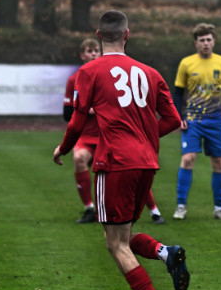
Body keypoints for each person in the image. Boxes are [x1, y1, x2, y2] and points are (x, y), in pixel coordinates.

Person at [53, 10, 189, 290]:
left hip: (115, 162)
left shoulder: (89, 71)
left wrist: (64, 147)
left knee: (115, 244)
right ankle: (166, 253)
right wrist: (143, 138)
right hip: (147, 162)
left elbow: (76, 118)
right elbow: (172, 119)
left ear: (99, 36)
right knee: (123, 236)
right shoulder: (151, 73)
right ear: (127, 35)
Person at [64, 38, 165, 225]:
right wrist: (87, 109)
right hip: (87, 137)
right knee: (79, 159)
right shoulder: (74, 80)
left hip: (110, 136)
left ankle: (154, 210)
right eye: (88, 51)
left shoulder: (111, 75)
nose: (93, 53)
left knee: (132, 164)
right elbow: (67, 113)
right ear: (82, 55)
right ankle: (89, 208)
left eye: (95, 50)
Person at [173, 23, 221, 221]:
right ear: (196, 43)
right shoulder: (186, 63)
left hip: (215, 120)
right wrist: (179, 116)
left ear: (214, 41)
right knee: (188, 159)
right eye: (202, 40)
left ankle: (219, 209)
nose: (206, 43)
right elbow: (178, 92)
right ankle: (181, 206)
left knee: (219, 162)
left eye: (209, 40)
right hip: (192, 119)